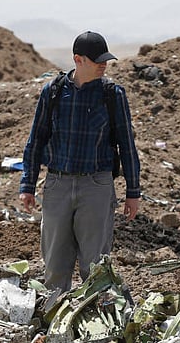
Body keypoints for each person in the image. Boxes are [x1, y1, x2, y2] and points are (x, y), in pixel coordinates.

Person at [19, 31, 141, 292]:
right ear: (78, 59)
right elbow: (36, 140)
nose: (103, 65)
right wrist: (27, 185)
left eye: (105, 60)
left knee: (95, 266)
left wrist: (133, 192)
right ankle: (55, 324)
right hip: (57, 186)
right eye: (97, 60)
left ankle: (95, 323)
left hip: (96, 186)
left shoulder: (112, 95)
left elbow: (127, 145)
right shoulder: (52, 92)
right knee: (54, 265)